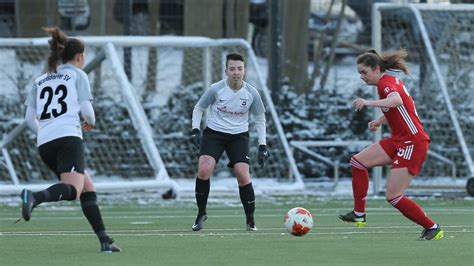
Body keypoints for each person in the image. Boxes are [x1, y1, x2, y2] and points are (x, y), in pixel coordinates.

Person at [21, 27, 121, 252]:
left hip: (45, 142)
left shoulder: (41, 80)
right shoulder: (77, 74)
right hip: (68, 138)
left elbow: (29, 118)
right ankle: (33, 197)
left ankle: (105, 240)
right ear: (79, 56)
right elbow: (88, 111)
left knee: (87, 187)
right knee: (73, 191)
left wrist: (46, 131)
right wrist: (91, 123)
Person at [338, 49, 444, 241]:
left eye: (364, 72)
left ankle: (432, 227)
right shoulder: (387, 83)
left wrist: (368, 102)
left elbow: (396, 101)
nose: (362, 77)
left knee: (393, 196)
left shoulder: (386, 84)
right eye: (359, 73)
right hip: (399, 140)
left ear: (376, 69)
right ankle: (359, 214)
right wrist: (380, 120)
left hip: (412, 142)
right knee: (357, 162)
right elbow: (398, 107)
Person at [189, 52, 269, 231]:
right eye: (232, 69)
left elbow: (260, 119)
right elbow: (199, 108)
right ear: (226, 71)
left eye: (239, 69)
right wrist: (195, 130)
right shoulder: (216, 89)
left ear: (244, 71)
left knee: (242, 174)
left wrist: (262, 145)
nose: (236, 72)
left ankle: (250, 219)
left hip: (238, 136)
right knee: (204, 169)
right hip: (214, 134)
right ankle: (201, 213)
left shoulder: (251, 93)